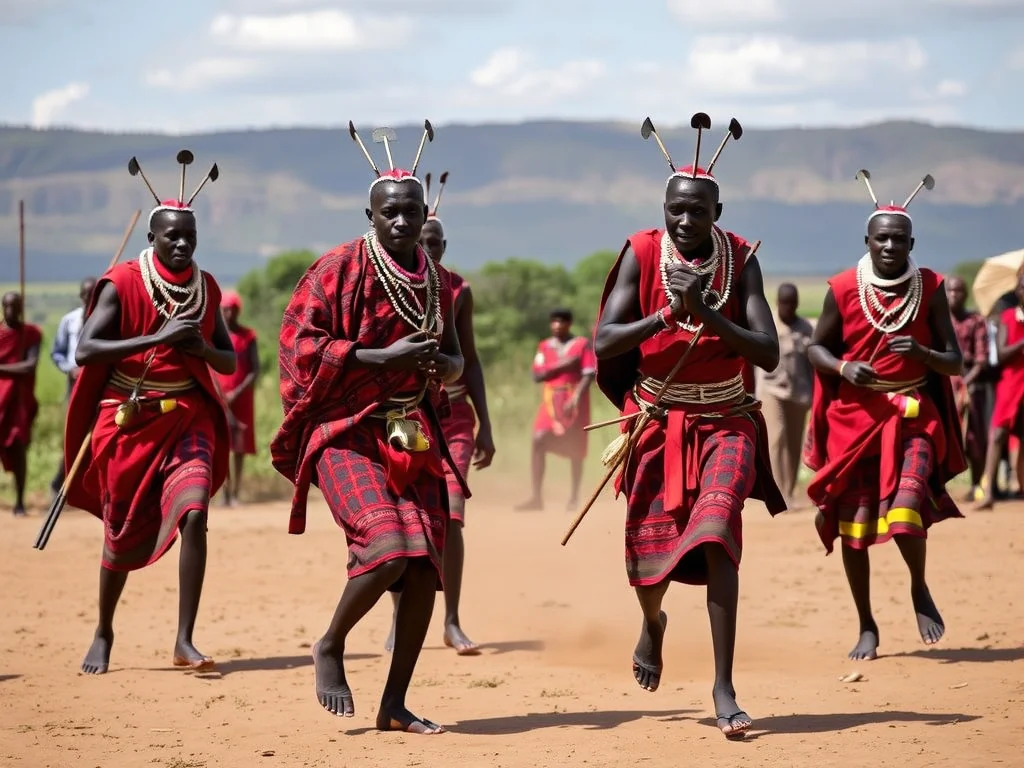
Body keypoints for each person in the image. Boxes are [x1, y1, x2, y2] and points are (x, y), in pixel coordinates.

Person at [593, 117, 785, 740]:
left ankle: (724, 685)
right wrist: (667, 314)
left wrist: (705, 311)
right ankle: (653, 622)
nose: (684, 221)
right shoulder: (642, 252)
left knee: (718, 533)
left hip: (727, 419)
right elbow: (607, 339)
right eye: (676, 209)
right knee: (649, 558)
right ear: (664, 208)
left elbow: (767, 351)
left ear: (717, 210)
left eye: (697, 211)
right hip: (655, 420)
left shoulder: (742, 258)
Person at [270, 126, 465, 735]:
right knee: (386, 550)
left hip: (411, 430)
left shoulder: (436, 281)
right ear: (370, 215)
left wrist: (437, 364)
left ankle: (394, 704)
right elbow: (301, 346)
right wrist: (381, 359)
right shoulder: (335, 270)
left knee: (424, 569)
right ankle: (330, 645)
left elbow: (456, 359)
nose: (403, 222)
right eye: (391, 212)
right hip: (344, 429)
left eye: (411, 211)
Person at [65, 154, 234, 675]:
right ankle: (104, 629)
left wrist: (199, 348)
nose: (182, 244)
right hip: (128, 420)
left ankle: (185, 639)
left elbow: (226, 358)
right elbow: (87, 351)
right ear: (154, 237)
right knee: (121, 529)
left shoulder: (206, 287)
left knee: (196, 514)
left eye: (190, 236)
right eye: (172, 237)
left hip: (186, 413)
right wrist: (158, 336)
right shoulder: (122, 282)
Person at [803, 182, 966, 663]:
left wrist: (923, 353)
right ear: (867, 242)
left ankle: (918, 587)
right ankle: (867, 624)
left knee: (909, 505)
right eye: (882, 239)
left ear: (911, 244)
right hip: (854, 420)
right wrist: (841, 367)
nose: (891, 246)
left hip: (915, 416)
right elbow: (816, 348)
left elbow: (954, 361)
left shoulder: (931, 289)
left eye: (899, 239)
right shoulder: (841, 289)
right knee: (854, 528)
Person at [385, 180, 496, 656]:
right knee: (402, 519)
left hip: (451, 418)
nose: (424, 247)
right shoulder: (386, 284)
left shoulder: (456, 290)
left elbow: (468, 359)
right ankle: (398, 618)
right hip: (403, 418)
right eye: (419, 241)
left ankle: (451, 621)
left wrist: (486, 424)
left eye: (433, 242)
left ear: (443, 247)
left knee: (450, 515)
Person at [515, 308, 596, 511]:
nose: (557, 325)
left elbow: (589, 374)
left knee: (576, 447)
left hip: (574, 401)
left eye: (561, 321)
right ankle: (536, 498)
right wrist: (564, 364)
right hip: (551, 401)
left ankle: (575, 497)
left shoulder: (581, 345)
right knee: (538, 438)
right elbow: (537, 376)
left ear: (569, 324)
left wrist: (576, 397)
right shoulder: (544, 346)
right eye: (554, 321)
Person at [756, 283, 814, 508]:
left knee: (793, 444)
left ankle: (788, 491)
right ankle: (779, 493)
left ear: (797, 303)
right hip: (772, 390)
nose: (788, 307)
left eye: (792, 303)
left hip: (799, 394)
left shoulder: (806, 328)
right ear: (777, 302)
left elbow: (813, 363)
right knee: (777, 437)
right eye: (784, 303)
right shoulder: (768, 323)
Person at [976, 268, 1024, 509]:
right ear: (1017, 291)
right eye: (1023, 287)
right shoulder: (1007, 317)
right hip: (1012, 380)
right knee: (998, 434)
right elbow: (1002, 353)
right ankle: (988, 493)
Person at [49, 276, 97, 497]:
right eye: (86, 294)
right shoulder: (70, 321)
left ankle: (88, 489)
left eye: (94, 293)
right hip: (75, 384)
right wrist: (70, 369)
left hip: (98, 385)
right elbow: (57, 353)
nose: (90, 298)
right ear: (81, 296)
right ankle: (60, 484)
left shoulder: (103, 318)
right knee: (73, 434)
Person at [946, 276, 989, 499]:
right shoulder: (940, 320)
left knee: (974, 438)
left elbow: (981, 359)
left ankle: (975, 486)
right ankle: (937, 489)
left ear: (966, 295)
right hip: (944, 385)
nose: (954, 296)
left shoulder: (975, 321)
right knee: (941, 436)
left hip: (970, 384)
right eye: (950, 291)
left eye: (959, 291)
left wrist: (965, 383)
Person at [216, 289, 259, 506]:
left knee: (239, 447)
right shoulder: (215, 337)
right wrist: (220, 393)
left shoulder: (248, 336)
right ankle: (224, 493)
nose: (228, 314)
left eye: (232, 310)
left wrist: (236, 392)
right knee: (223, 445)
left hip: (241, 399)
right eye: (225, 310)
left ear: (237, 311)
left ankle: (236, 493)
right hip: (220, 398)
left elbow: (254, 370)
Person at [0, 292, 41, 516]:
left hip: (18, 402)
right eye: (6, 306)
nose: (10, 311)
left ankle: (19, 501)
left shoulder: (30, 334)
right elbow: (21, 367)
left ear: (20, 308)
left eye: (14, 307)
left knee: (18, 448)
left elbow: (30, 366)